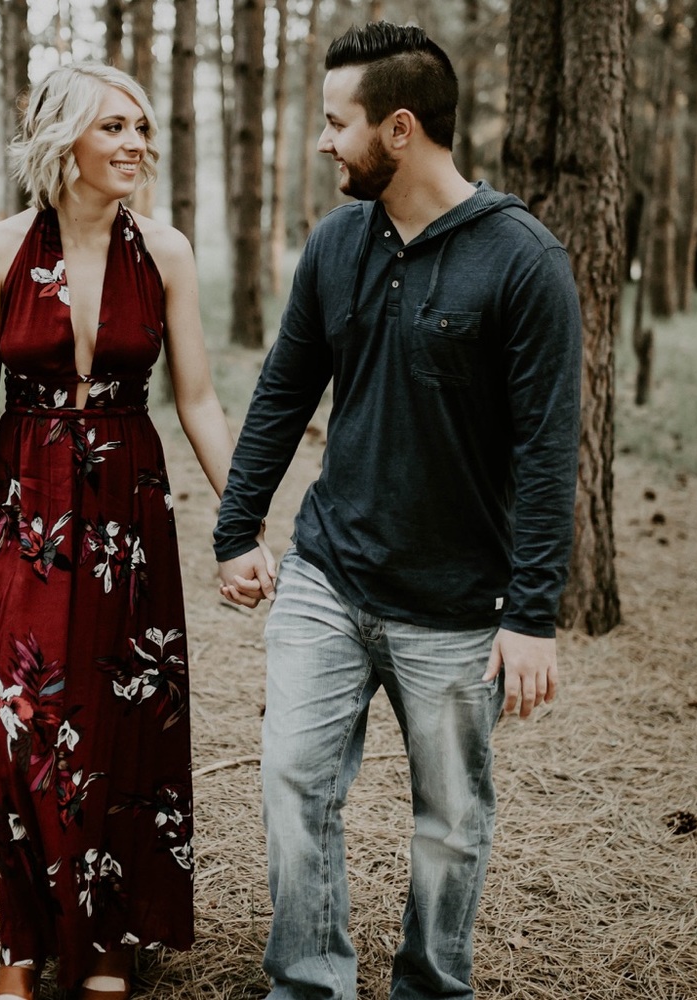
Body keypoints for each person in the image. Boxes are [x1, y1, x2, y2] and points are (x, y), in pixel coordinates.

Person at [215, 21, 582, 1000]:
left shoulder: (523, 262)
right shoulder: (337, 244)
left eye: (339, 122)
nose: (325, 141)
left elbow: (550, 454)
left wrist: (534, 615)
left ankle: (429, 984)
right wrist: (235, 528)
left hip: (457, 608)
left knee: (450, 819)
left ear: (401, 127)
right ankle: (308, 984)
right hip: (327, 579)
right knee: (294, 785)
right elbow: (282, 396)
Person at [0, 63, 257, 1000]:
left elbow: (198, 399)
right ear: (64, 139)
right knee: (25, 722)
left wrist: (240, 525)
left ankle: (111, 940)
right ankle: (23, 943)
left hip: (130, 509)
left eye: (144, 129)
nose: (135, 146)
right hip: (26, 501)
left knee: (126, 721)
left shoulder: (163, 251)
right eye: (114, 127)